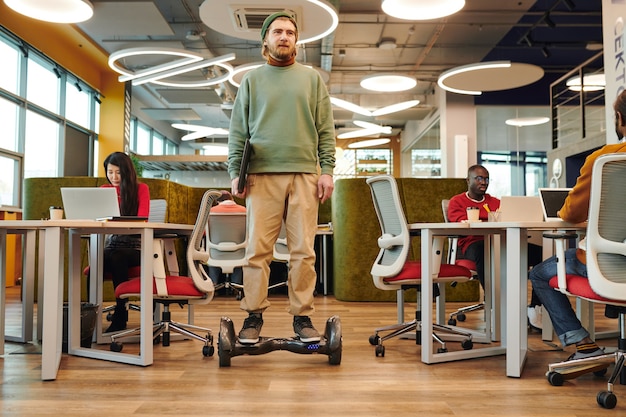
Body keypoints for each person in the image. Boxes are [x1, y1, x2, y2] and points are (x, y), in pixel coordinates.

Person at [227, 11, 335, 344]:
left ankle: (302, 317)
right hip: (261, 175)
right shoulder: (251, 80)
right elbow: (237, 131)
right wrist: (235, 171)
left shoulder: (312, 79)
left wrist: (327, 170)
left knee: (304, 250)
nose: (284, 36)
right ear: (266, 40)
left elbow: (325, 129)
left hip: (305, 172)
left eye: (290, 32)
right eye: (277, 31)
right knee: (258, 251)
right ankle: (253, 315)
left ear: (296, 41)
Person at [529, 90, 626, 360]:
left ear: (619, 118)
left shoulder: (603, 160)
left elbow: (571, 213)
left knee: (539, 274)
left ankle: (582, 343)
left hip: (605, 262)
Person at [448, 164, 544, 328]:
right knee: (484, 249)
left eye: (486, 179)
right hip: (472, 245)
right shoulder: (457, 201)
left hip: (501, 243)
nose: (483, 182)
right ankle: (495, 304)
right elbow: (459, 224)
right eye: (479, 178)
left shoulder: (496, 202)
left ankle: (534, 307)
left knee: (541, 254)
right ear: (468, 180)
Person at [101, 151, 150, 333]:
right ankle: (88, 315)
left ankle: (121, 312)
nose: (113, 177)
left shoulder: (141, 189)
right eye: (110, 172)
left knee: (117, 257)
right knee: (98, 261)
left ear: (127, 172)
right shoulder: (105, 190)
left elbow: (143, 219)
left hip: (135, 248)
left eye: (118, 172)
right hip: (112, 245)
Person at [208, 190, 247, 288]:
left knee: (209, 249)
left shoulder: (210, 211)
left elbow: (204, 233)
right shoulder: (245, 211)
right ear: (232, 199)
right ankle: (237, 286)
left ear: (217, 202)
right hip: (239, 253)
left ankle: (213, 284)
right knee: (242, 249)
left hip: (216, 253)